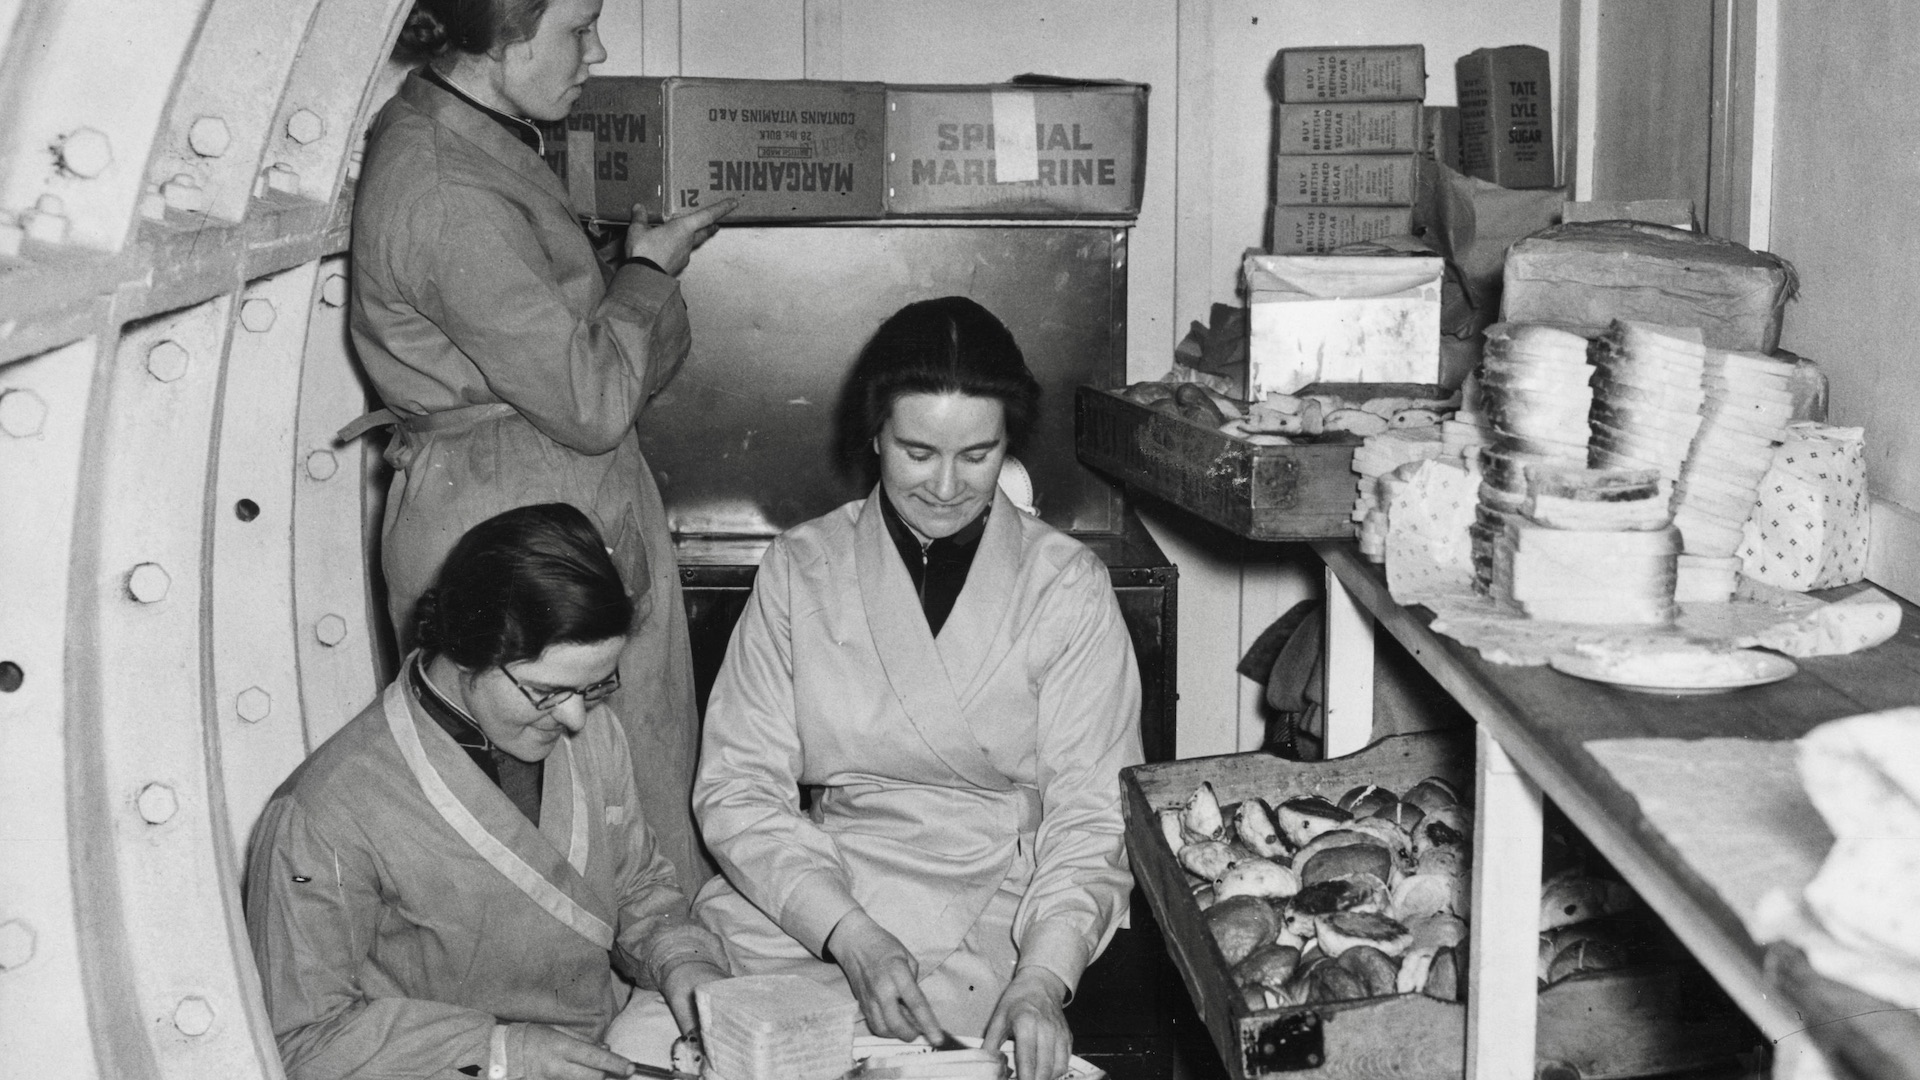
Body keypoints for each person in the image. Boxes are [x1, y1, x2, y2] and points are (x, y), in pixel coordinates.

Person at [692, 297, 1143, 1080]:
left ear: (1008, 446)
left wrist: (1042, 977)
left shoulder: (1066, 586)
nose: (943, 486)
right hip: (819, 890)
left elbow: (1092, 813)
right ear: (874, 436)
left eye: (976, 456)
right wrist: (848, 932)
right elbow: (737, 789)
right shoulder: (802, 569)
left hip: (998, 907)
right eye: (916, 452)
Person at [347, 0, 736, 893]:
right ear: (502, 36)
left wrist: (628, 290)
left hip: (546, 487)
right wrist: (648, 273)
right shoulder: (447, 187)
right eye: (578, 27)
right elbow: (597, 399)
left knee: (625, 775)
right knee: (579, 798)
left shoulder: (484, 136)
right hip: (517, 504)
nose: (598, 50)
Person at [246, 503, 730, 1080]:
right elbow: (300, 1037)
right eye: (548, 692)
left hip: (602, 1044)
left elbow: (636, 883)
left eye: (596, 685)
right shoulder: (325, 809)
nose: (577, 718)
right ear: (467, 648)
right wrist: (502, 1052)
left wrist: (686, 965)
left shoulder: (590, 727)